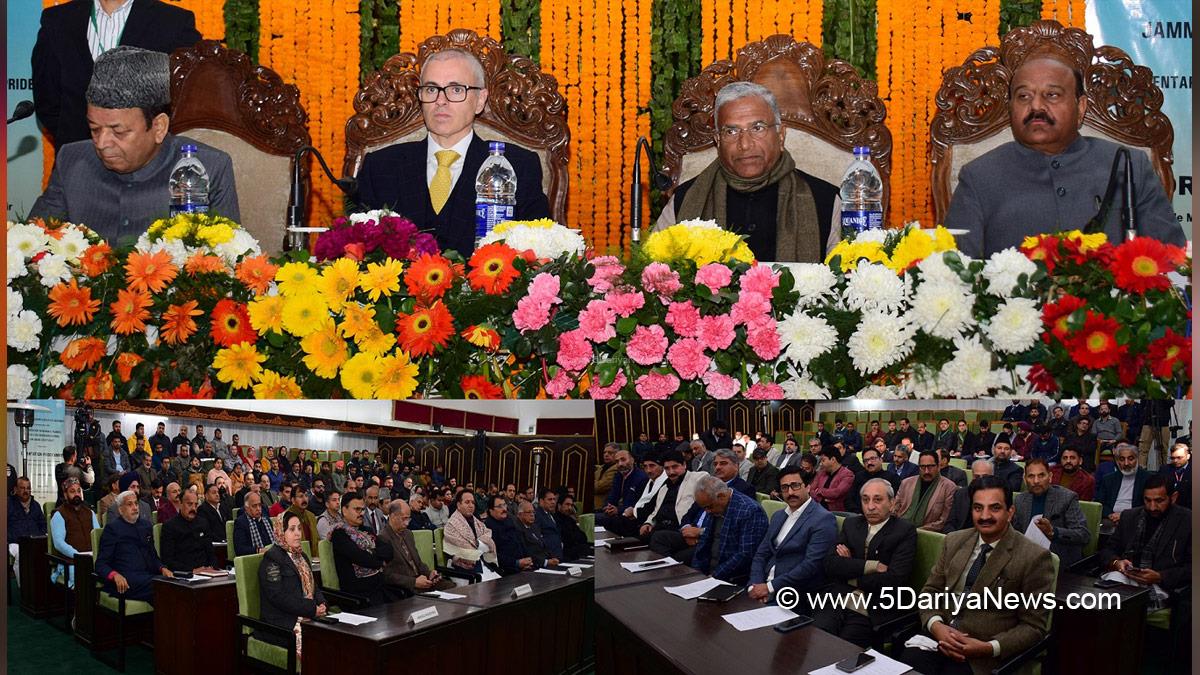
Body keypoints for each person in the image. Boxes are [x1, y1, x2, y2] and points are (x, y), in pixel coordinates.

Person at [946, 50, 1184, 257]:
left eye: (1052, 95)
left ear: (1080, 107)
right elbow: (957, 274)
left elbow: (1171, 259)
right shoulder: (978, 176)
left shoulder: (1129, 165)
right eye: (1024, 96)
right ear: (1011, 108)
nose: (1036, 107)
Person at [30, 46, 239, 245]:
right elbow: (33, 243)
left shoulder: (208, 167)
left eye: (118, 132)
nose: (102, 143)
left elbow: (223, 262)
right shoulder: (71, 160)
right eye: (94, 129)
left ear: (159, 127)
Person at [354, 48, 551, 254]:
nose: (441, 100)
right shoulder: (380, 166)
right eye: (431, 89)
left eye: (456, 90)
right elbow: (357, 250)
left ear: (480, 100)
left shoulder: (517, 166)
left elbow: (537, 254)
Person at [656, 82, 838, 261]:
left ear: (780, 135)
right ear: (718, 141)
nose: (745, 144)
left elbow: (845, 280)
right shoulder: (684, 200)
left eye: (757, 128)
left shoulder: (826, 200)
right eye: (731, 131)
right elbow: (655, 272)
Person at [899, 475, 1055, 675]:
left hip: (983, 655)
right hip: (938, 638)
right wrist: (936, 625)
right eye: (978, 508)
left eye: (995, 508)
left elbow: (1034, 627)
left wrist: (989, 647)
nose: (985, 516)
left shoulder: (1034, 557)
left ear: (1010, 512)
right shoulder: (954, 541)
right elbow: (930, 591)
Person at [31, 0, 199, 148]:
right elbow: (47, 100)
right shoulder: (58, 20)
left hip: (149, 167)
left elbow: (188, 99)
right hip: (79, 160)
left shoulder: (173, 22)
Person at [815, 478, 917, 648]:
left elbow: (894, 579)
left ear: (892, 504)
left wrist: (850, 572)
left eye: (878, 500)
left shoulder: (904, 531)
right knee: (816, 637)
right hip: (839, 597)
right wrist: (871, 566)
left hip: (873, 606)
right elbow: (830, 564)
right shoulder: (852, 524)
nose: (870, 506)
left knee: (842, 649)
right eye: (865, 500)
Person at [748, 465, 837, 608]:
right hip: (762, 588)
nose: (790, 492)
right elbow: (761, 554)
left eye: (795, 486)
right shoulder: (779, 516)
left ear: (807, 487)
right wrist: (755, 584)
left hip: (793, 593)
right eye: (784, 488)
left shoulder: (823, 519)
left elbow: (811, 565)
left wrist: (769, 587)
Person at [1098, 474, 1190, 611]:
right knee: (1104, 602)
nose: (1152, 507)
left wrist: (1160, 577)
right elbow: (1106, 551)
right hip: (1126, 577)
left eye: (1159, 501)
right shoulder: (1130, 516)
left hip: (1163, 586)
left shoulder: (1188, 521)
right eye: (1147, 500)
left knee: (1124, 606)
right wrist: (1117, 562)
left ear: (1173, 497)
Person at [258, 510, 326, 664]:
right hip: (283, 621)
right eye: (291, 529)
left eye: (299, 529)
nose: (297, 534)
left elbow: (314, 586)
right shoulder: (272, 559)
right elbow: (277, 597)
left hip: (308, 614)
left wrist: (321, 603)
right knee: (317, 645)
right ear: (280, 532)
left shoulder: (302, 556)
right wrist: (311, 608)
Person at [96, 490, 173, 602]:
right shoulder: (112, 529)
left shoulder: (146, 526)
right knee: (164, 588)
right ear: (120, 510)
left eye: (136, 503)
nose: (135, 507)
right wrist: (115, 575)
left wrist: (162, 568)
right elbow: (101, 564)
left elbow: (153, 556)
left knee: (173, 585)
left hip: (148, 576)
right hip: (126, 580)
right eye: (129, 504)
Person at [689, 475, 768, 584]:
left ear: (721, 496)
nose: (707, 511)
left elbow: (745, 555)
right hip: (707, 575)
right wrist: (695, 573)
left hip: (731, 578)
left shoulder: (750, 511)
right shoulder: (713, 506)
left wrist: (713, 577)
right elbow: (703, 544)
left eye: (708, 507)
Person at [1013, 459, 1089, 568]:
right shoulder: (1020, 500)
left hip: (1058, 561)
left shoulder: (1067, 498)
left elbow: (1083, 534)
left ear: (1050, 477)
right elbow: (1016, 533)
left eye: (1041, 475)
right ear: (1025, 479)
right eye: (1031, 476)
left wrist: (1054, 532)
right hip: (1026, 560)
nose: (1036, 481)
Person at [329, 492, 394, 605]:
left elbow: (389, 550)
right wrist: (379, 560)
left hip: (380, 587)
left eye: (363, 509)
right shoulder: (339, 534)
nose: (361, 513)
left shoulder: (367, 530)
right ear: (344, 510)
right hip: (358, 595)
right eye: (357, 509)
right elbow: (362, 558)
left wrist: (372, 554)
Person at [378, 500, 455, 595]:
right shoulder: (383, 537)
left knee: (451, 587)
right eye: (404, 519)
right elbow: (387, 575)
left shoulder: (408, 534)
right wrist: (414, 582)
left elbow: (418, 562)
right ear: (393, 517)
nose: (407, 523)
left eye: (408, 519)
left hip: (421, 580)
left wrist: (429, 574)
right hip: (406, 587)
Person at [50, 477, 100, 588]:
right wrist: (77, 556)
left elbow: (97, 538)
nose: (77, 494)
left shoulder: (90, 513)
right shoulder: (59, 514)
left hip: (92, 558)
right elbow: (58, 543)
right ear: (65, 494)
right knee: (80, 577)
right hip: (71, 560)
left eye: (78, 491)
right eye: (72, 491)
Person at [892, 451, 957, 532]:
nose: (926, 471)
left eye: (930, 467)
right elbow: (895, 508)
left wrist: (916, 531)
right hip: (899, 527)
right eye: (923, 467)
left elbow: (943, 521)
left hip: (925, 532)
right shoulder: (906, 483)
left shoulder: (949, 487)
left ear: (938, 466)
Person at [160, 488, 220, 572]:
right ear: (180, 503)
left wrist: (212, 567)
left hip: (206, 572)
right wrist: (191, 570)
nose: (193, 508)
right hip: (185, 574)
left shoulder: (203, 523)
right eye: (189, 504)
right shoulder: (170, 526)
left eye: (195, 505)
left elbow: (210, 552)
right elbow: (167, 560)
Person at [442, 491, 497, 575]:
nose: (471, 506)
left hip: (484, 564)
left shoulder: (476, 521)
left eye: (473, 503)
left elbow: (487, 534)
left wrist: (477, 543)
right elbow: (462, 551)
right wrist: (482, 546)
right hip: (463, 571)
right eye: (467, 502)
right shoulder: (451, 525)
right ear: (458, 505)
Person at [8, 476, 48, 586]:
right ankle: (25, 592)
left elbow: (43, 525)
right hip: (15, 542)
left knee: (45, 555)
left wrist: (39, 536)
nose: (26, 491)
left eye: (28, 488)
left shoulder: (35, 505)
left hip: (34, 541)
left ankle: (41, 590)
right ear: (16, 489)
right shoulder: (8, 504)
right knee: (22, 555)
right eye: (22, 488)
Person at [1097, 443, 1150, 523]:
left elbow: (1148, 505)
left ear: (1137, 459)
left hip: (1135, 519)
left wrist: (1125, 515)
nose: (1126, 463)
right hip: (1111, 519)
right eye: (1122, 459)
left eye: (1130, 459)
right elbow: (1099, 503)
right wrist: (1110, 514)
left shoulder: (1147, 478)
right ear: (1117, 461)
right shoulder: (1108, 479)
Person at [485, 495, 534, 574]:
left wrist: (527, 560)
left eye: (504, 505)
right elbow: (492, 556)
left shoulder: (510, 520)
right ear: (491, 510)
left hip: (522, 567)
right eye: (499, 506)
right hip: (505, 570)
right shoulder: (488, 527)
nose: (504, 509)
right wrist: (517, 563)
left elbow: (520, 542)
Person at [847, 447, 901, 514]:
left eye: (872, 459)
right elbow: (850, 499)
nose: (869, 462)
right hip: (860, 515)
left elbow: (895, 502)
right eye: (866, 460)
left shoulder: (893, 478)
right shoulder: (859, 477)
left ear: (881, 460)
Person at [513, 500, 559, 568]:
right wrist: (546, 562)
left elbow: (543, 546)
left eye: (533, 512)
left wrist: (552, 558)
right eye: (529, 512)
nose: (532, 515)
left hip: (545, 563)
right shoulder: (517, 529)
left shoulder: (534, 527)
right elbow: (527, 552)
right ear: (520, 514)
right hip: (532, 566)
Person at [233, 491, 279, 557]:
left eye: (260, 505)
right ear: (246, 508)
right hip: (255, 558)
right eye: (254, 506)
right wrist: (258, 550)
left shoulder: (266, 519)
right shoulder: (241, 522)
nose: (258, 509)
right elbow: (240, 549)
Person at [809, 447, 855, 512]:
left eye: (823, 460)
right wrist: (825, 497)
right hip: (817, 509)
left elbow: (837, 492)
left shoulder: (847, 474)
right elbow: (811, 490)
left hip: (835, 512)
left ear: (833, 459)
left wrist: (820, 491)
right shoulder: (821, 473)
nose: (821, 464)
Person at [286, 486, 321, 554]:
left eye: (306, 496)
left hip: (314, 558)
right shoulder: (286, 517)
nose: (304, 499)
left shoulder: (311, 516)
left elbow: (317, 540)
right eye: (301, 496)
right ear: (293, 500)